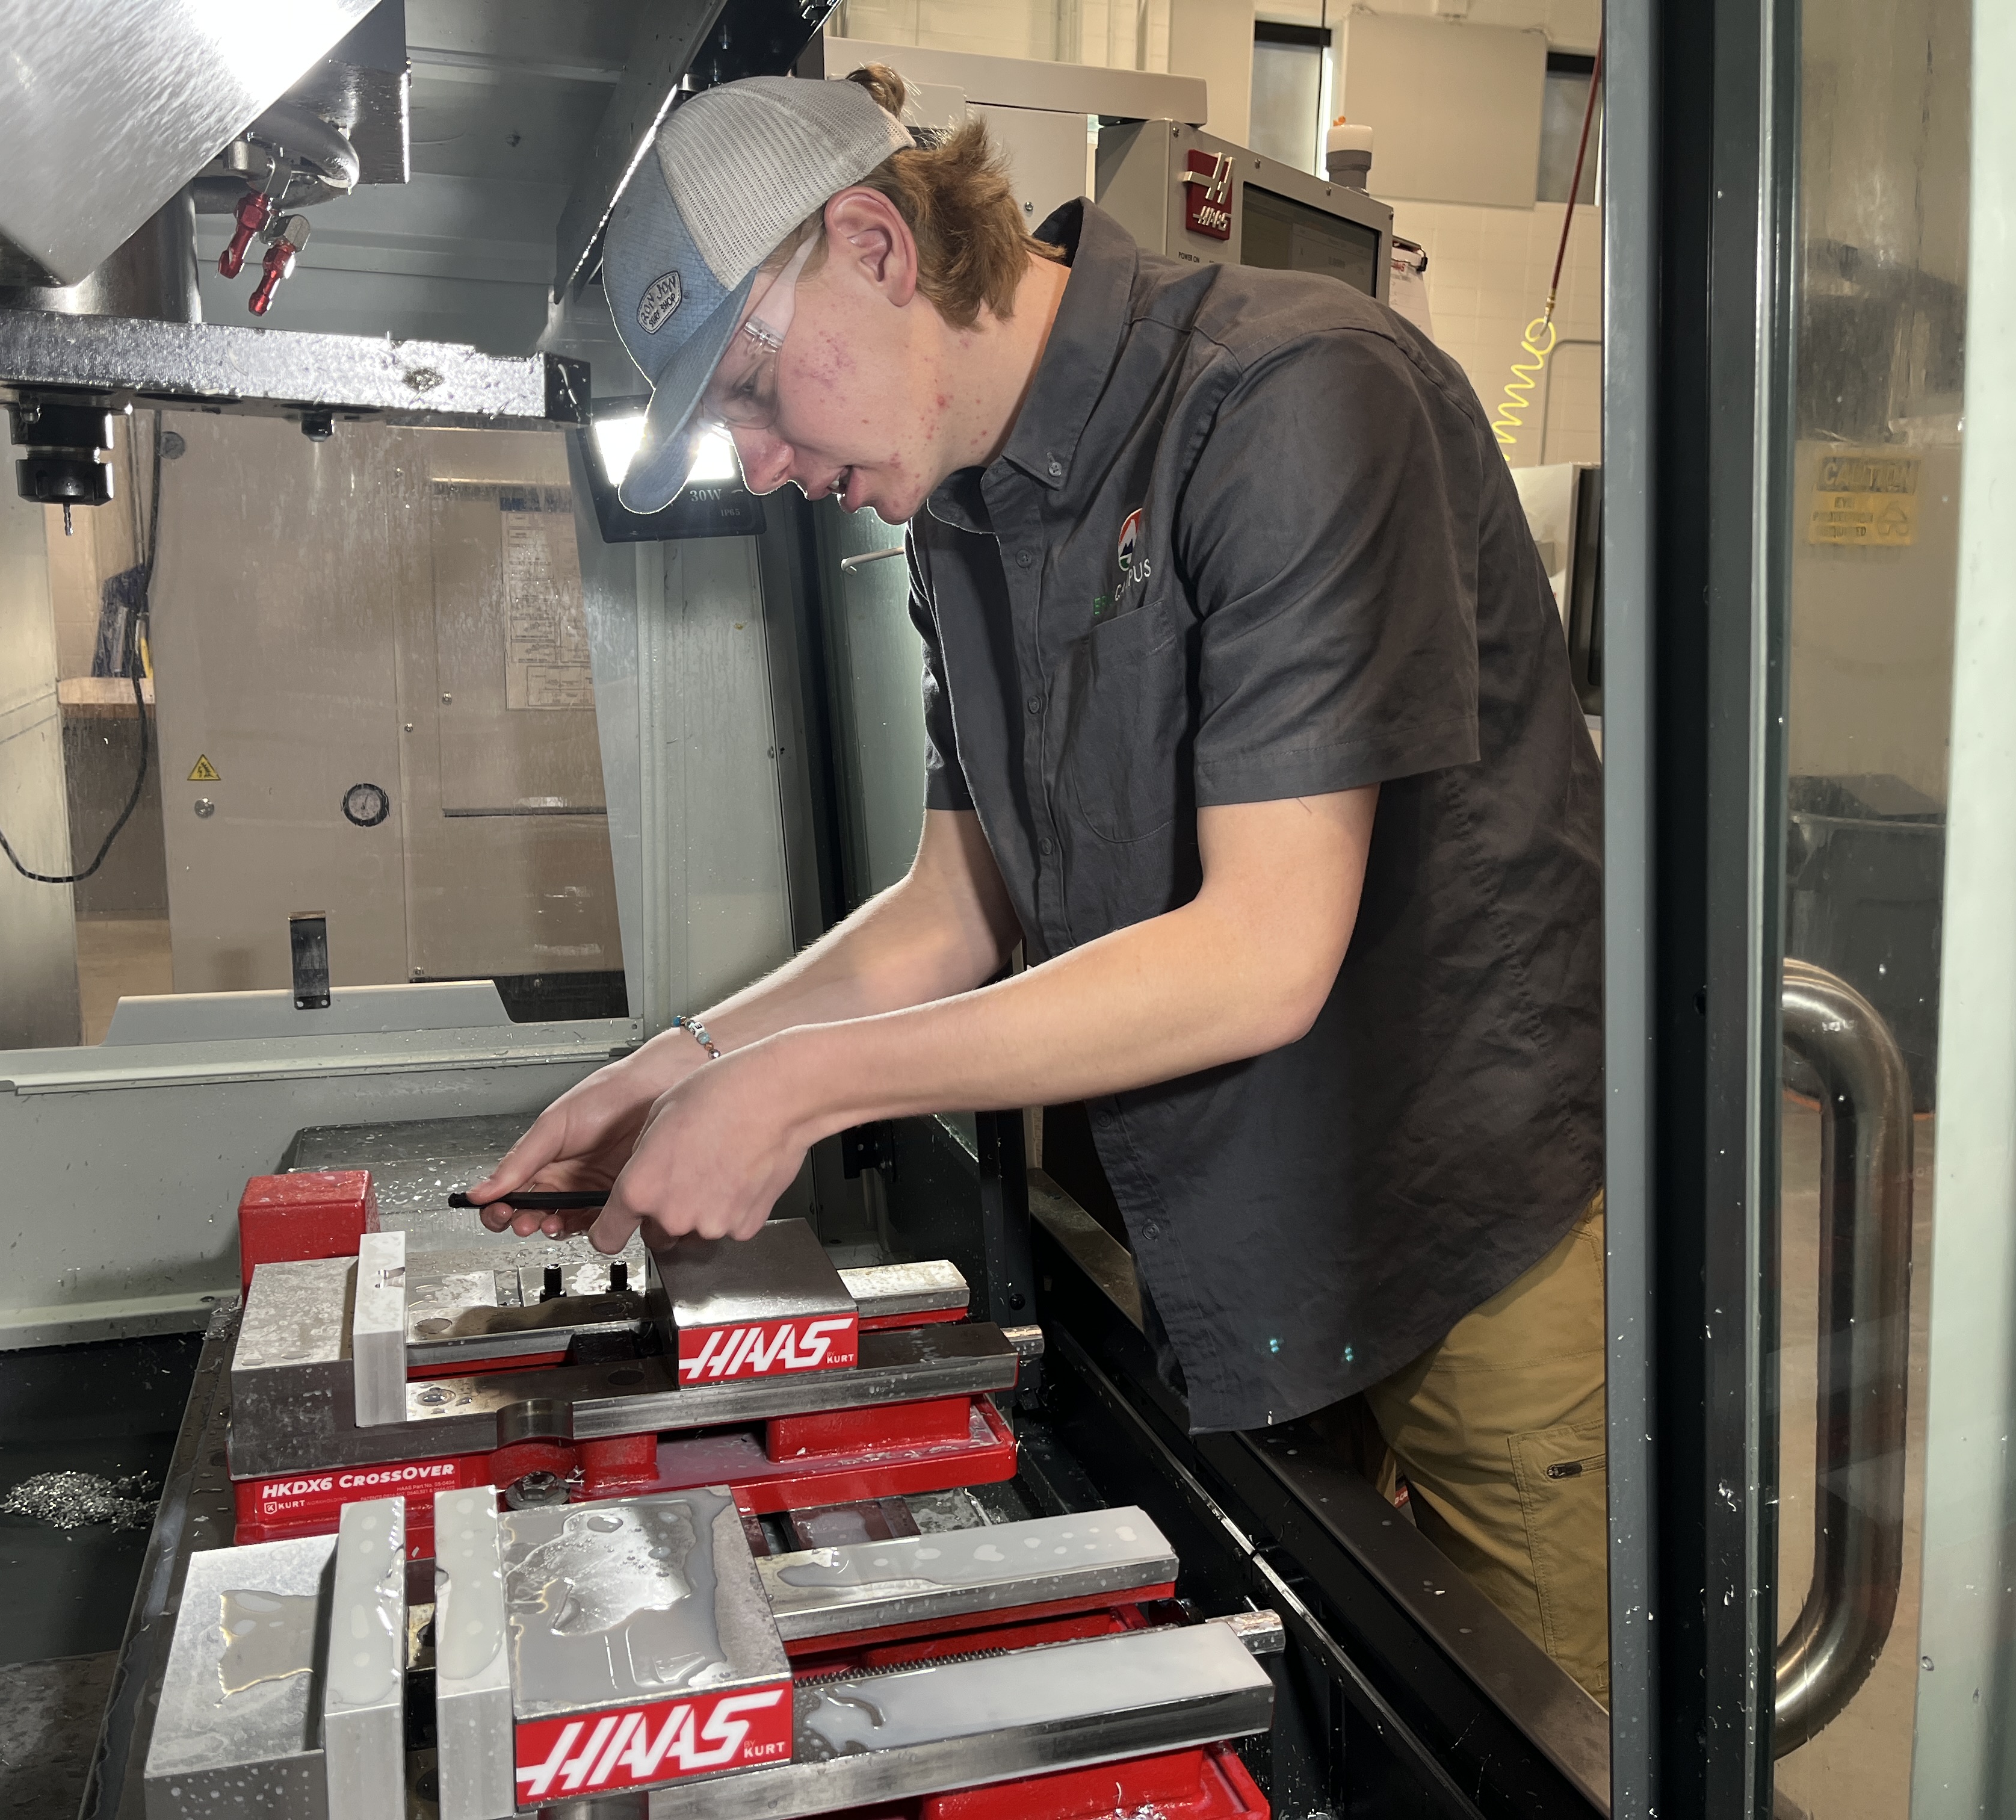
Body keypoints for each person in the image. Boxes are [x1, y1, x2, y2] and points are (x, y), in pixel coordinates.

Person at [464, 67, 1608, 1701]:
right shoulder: (958, 505)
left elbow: (1263, 954)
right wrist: (680, 1065)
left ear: (876, 244)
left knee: (1538, 1729)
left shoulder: (1290, 400)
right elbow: (960, 908)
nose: (768, 463)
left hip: (1460, 1222)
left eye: (754, 391)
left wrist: (796, 1094)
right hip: (1239, 1229)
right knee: (1348, 1702)